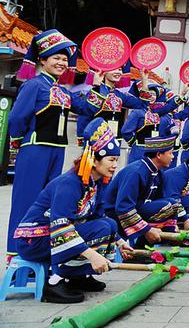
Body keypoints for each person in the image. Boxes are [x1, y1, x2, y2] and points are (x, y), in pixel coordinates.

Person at [6, 30, 105, 256]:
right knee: (26, 200)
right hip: (35, 149)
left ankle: (39, 250)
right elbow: (17, 118)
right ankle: (17, 253)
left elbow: (87, 108)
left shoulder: (62, 90)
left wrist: (97, 86)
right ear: (42, 60)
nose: (61, 63)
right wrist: (19, 142)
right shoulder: (33, 85)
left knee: (47, 205)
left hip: (57, 151)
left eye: (64, 59)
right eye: (56, 58)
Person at [13, 118, 133, 303]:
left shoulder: (96, 183)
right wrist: (92, 255)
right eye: (111, 160)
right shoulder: (69, 184)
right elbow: (60, 226)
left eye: (116, 160)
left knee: (107, 224)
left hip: (51, 236)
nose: (115, 165)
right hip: (34, 240)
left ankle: (79, 276)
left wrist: (120, 242)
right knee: (100, 228)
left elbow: (98, 216)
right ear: (93, 160)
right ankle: (55, 282)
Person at [102, 135, 179, 247]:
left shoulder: (158, 172)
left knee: (173, 204)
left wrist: (173, 224)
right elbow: (123, 207)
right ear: (158, 155)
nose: (173, 157)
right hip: (115, 215)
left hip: (136, 209)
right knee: (167, 206)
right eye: (170, 153)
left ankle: (157, 246)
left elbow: (160, 199)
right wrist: (147, 229)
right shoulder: (135, 172)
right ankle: (140, 248)